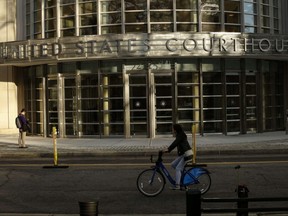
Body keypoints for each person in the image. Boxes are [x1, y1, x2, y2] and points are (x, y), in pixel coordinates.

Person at [164, 124, 193, 190]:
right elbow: (176, 143)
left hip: (187, 155)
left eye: (173, 128)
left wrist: (168, 149)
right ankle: (182, 180)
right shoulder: (179, 135)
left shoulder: (181, 135)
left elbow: (175, 143)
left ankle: (177, 185)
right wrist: (168, 150)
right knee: (173, 164)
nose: (172, 129)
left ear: (176, 129)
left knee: (178, 168)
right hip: (183, 154)